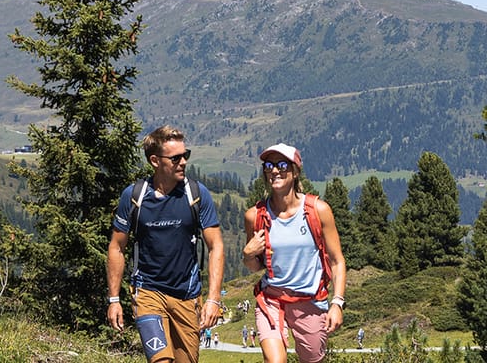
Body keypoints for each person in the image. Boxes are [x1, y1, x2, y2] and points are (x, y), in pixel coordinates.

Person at [106, 125, 225, 363]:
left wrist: (213, 300)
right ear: (155, 161)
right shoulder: (134, 196)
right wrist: (114, 299)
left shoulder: (196, 194)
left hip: (187, 296)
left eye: (185, 155)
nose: (183, 162)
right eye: (175, 158)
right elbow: (116, 247)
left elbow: (216, 247)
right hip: (148, 292)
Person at [242, 143, 347, 363]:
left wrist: (337, 303)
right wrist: (247, 254)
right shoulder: (255, 216)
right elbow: (256, 266)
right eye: (269, 165)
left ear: (295, 170)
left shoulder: (318, 211)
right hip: (271, 299)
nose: (274, 170)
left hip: (309, 302)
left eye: (282, 165)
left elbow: (337, 261)